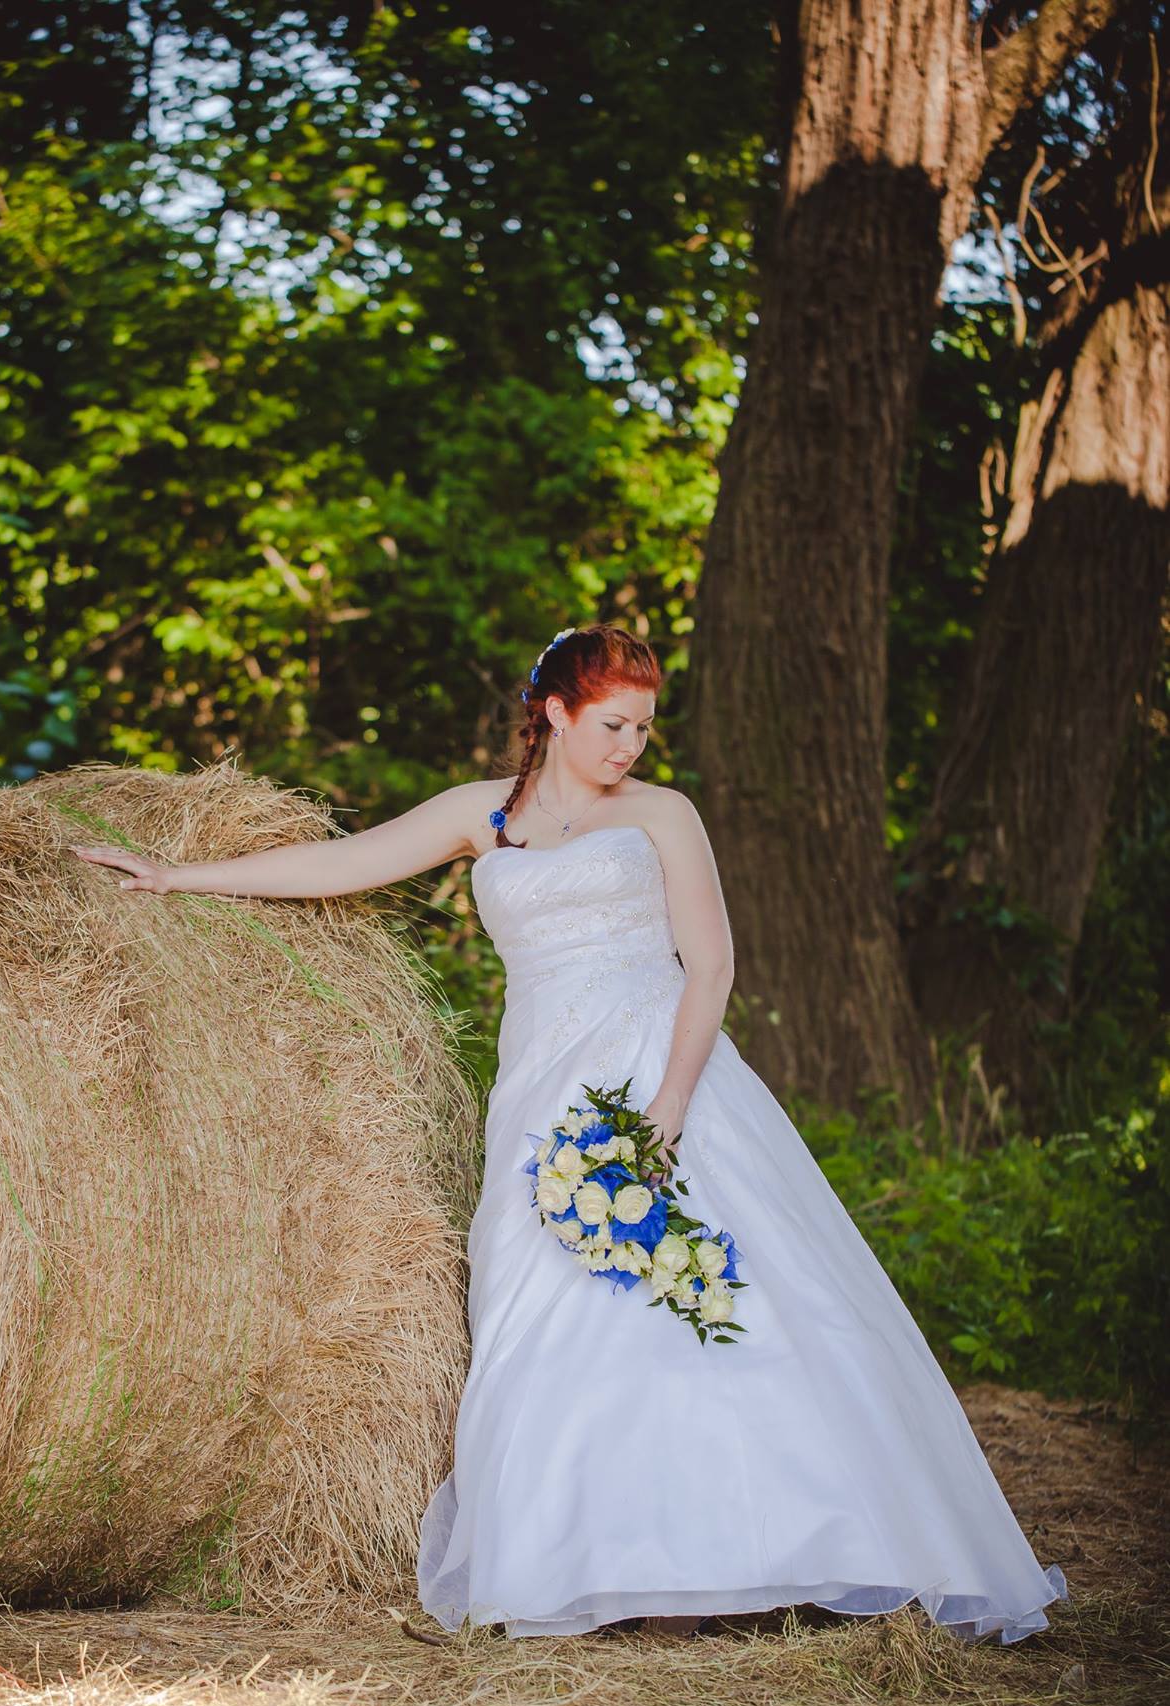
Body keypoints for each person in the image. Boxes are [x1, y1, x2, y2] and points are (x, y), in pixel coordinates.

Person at [71, 623, 1068, 1646]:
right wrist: (176, 877)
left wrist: (669, 1103)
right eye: (611, 724)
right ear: (554, 711)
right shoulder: (482, 814)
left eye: (643, 727)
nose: (629, 745)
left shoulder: (662, 814)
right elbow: (349, 860)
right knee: (553, 1315)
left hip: (659, 1070)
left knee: (711, 1295)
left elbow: (711, 966)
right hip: (542, 1089)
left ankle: (788, 1547)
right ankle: (609, 1564)